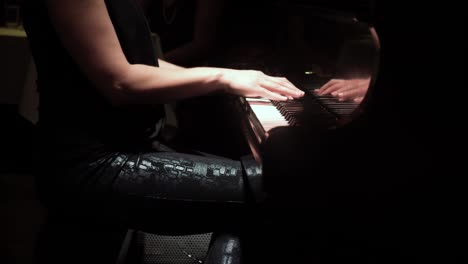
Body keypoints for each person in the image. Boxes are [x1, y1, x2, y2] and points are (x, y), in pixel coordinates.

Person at [21, 0, 303, 262]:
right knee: (271, 191)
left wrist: (234, 78)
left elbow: (144, 66)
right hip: (91, 162)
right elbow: (120, 82)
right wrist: (224, 77)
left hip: (127, 146)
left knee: (262, 193)